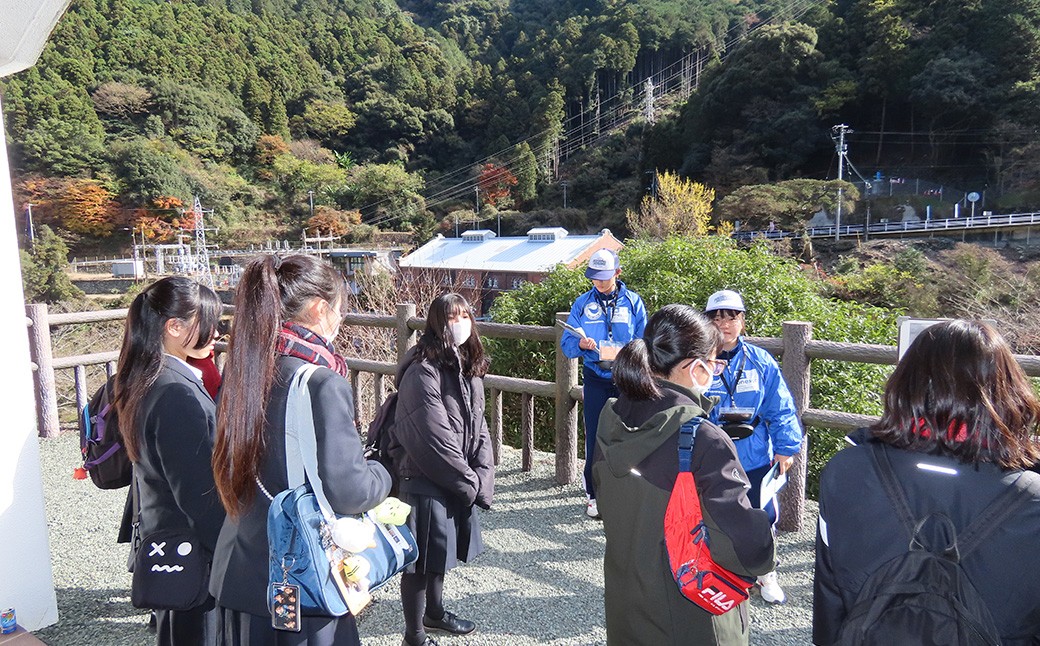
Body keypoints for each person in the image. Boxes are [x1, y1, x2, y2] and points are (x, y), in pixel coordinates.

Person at [813, 319, 1040, 644]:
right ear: (1008, 390)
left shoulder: (847, 472)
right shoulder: (1032, 500)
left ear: (905, 383)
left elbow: (830, 596)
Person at [210, 254, 392, 645]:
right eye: (340, 311)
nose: (341, 321)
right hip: (300, 577)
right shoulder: (321, 382)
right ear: (320, 309)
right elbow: (350, 491)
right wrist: (383, 470)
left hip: (241, 569)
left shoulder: (245, 368)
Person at [592, 304, 776, 645]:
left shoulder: (612, 419)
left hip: (626, 603)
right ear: (696, 368)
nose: (716, 371)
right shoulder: (703, 439)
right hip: (690, 614)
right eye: (715, 363)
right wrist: (764, 535)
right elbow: (742, 548)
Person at [113, 276, 226, 645]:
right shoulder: (175, 391)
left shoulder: (147, 377)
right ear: (174, 327)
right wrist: (232, 551)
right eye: (207, 321)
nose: (216, 332)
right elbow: (198, 495)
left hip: (169, 542)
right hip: (194, 553)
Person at [389, 292, 495, 646]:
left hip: (453, 475)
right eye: (452, 317)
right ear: (437, 323)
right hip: (422, 474)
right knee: (419, 561)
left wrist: (482, 473)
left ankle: (434, 613)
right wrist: (469, 482)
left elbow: (479, 425)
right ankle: (414, 636)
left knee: (439, 550)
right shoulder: (423, 369)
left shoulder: (465, 363)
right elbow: (431, 437)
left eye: (465, 316)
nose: (460, 323)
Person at [703, 289, 801, 604]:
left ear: (742, 321)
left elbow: (780, 407)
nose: (724, 324)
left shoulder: (760, 360)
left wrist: (786, 446)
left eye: (732, 317)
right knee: (715, 513)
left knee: (762, 514)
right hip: (713, 452)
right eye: (717, 317)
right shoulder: (698, 361)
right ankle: (722, 570)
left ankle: (765, 572)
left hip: (755, 451)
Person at [561, 248, 647, 519]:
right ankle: (594, 494)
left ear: (618, 273)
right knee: (596, 437)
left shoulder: (633, 302)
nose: (598, 281)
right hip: (595, 378)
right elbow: (566, 344)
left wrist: (629, 354)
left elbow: (644, 342)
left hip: (626, 379)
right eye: (594, 276)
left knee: (628, 435)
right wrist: (581, 344)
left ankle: (625, 493)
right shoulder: (582, 303)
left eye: (604, 276)